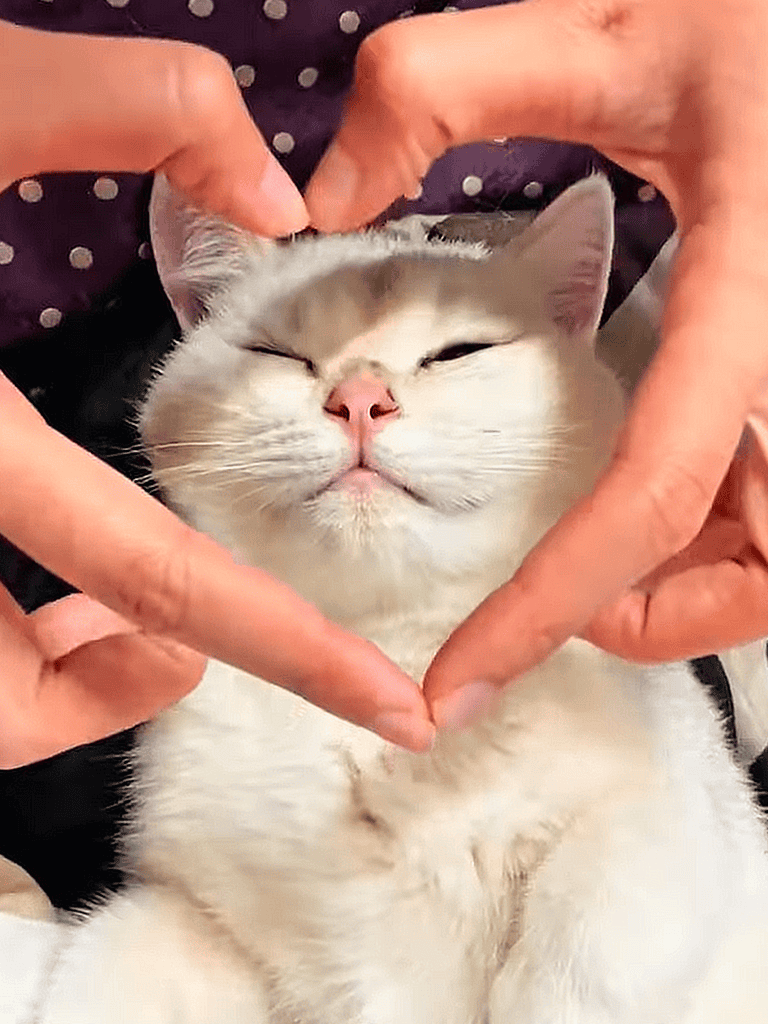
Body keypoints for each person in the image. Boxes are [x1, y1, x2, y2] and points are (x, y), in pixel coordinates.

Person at [1, 0, 767, 774]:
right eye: (282, 356)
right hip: (51, 451)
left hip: (690, 259)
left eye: (455, 355)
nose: (360, 399)